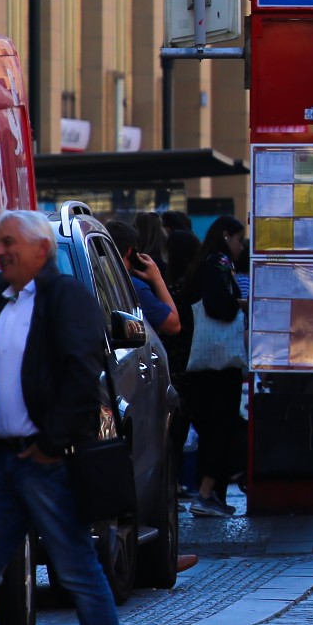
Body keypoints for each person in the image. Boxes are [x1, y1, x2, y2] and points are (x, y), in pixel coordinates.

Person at [0, 210, 130, 625]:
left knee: (79, 572)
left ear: (41, 250)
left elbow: (83, 371)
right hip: (8, 462)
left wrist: (54, 443)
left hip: (48, 460)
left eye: (10, 243)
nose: (1, 251)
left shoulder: (66, 296)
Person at [177, 216, 250, 518]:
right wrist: (240, 303)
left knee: (211, 427)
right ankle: (207, 493)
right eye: (238, 239)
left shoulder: (201, 262)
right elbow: (218, 305)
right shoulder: (218, 261)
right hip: (219, 365)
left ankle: (211, 494)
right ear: (225, 236)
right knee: (221, 426)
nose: (240, 247)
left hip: (201, 363)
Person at [105, 220, 180, 339]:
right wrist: (157, 279)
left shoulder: (94, 276)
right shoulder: (133, 287)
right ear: (131, 252)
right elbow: (174, 325)